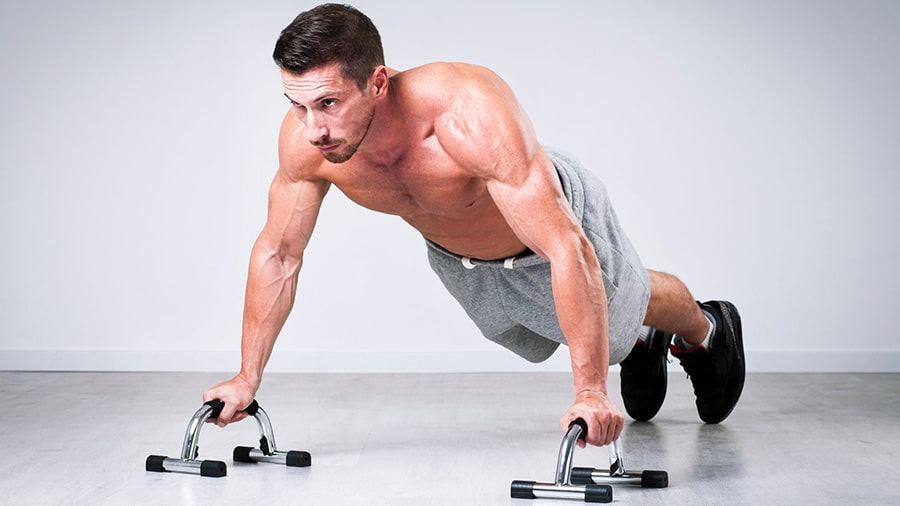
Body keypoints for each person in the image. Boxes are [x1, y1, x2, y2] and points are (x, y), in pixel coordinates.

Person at [203, 3, 745, 448]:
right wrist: (247, 376)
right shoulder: (308, 142)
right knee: (548, 337)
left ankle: (705, 331)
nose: (313, 128)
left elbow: (564, 245)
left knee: (620, 315)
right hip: (461, 260)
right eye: (296, 106)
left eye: (328, 103)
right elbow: (279, 253)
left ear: (377, 82)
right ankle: (639, 340)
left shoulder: (464, 112)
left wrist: (590, 392)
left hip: (553, 222)